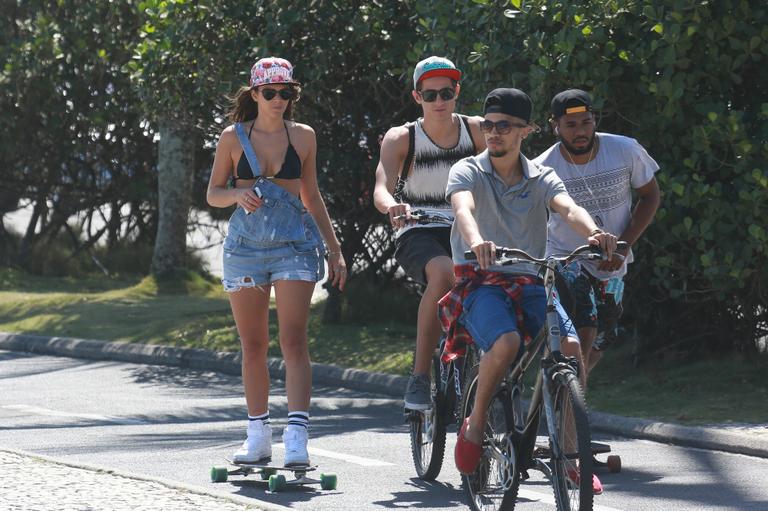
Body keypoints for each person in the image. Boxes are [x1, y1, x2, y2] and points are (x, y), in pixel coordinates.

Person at [443, 88, 617, 494]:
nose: (494, 133)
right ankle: (476, 422)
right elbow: (463, 209)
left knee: (572, 350)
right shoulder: (467, 169)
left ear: (526, 131)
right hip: (481, 277)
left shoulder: (541, 176)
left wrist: (594, 233)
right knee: (503, 344)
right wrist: (477, 240)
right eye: (488, 125)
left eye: (504, 126)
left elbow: (567, 207)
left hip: (532, 277)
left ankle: (573, 457)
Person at [206, 57, 346, 467]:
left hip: (294, 246)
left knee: (293, 340)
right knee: (253, 344)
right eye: (271, 92)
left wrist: (334, 249)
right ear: (255, 94)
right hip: (244, 248)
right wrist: (235, 194)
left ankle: (298, 437)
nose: (279, 100)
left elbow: (312, 195)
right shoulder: (232, 137)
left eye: (287, 92)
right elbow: (213, 192)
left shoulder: (303, 137)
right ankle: (257, 435)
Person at [373, 56, 485, 410]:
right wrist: (392, 205)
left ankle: (492, 383)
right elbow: (381, 187)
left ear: (457, 93)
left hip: (469, 229)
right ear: (417, 97)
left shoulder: (478, 131)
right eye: (430, 94)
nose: (439, 101)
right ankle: (420, 377)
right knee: (443, 272)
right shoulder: (401, 138)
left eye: (447, 93)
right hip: (418, 229)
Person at [534, 89, 660, 378]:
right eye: (570, 125)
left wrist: (624, 246)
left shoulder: (625, 150)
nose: (580, 131)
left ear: (594, 120)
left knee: (603, 338)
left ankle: (565, 391)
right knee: (585, 328)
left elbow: (650, 195)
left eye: (586, 122)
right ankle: (571, 416)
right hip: (566, 257)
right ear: (555, 126)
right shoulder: (543, 167)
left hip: (614, 260)